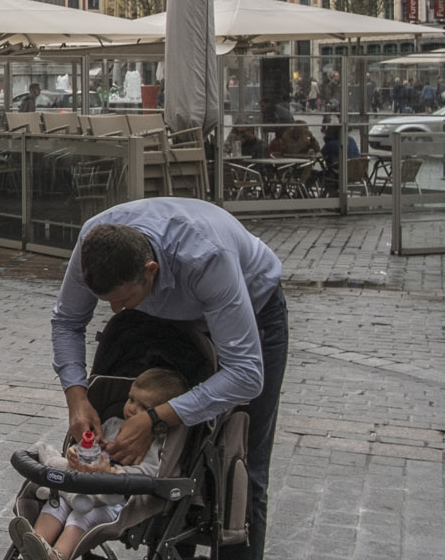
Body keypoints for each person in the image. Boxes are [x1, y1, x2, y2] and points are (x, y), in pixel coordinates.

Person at [52, 201, 288, 560]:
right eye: (107, 301)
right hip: (175, 314)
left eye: (123, 299)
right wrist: (77, 397)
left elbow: (245, 374)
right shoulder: (93, 242)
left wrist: (155, 417)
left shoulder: (206, 257)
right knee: (178, 450)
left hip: (253, 309)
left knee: (240, 465)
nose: (116, 311)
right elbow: (68, 321)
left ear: (150, 270)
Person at [10, 368, 192, 560]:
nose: (131, 408)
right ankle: (34, 546)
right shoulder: (113, 424)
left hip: (115, 499)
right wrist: (77, 453)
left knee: (80, 517)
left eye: (143, 407)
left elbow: (151, 473)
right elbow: (90, 446)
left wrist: (112, 471)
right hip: (83, 488)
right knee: (56, 502)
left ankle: (56, 557)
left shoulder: (158, 443)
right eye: (131, 400)